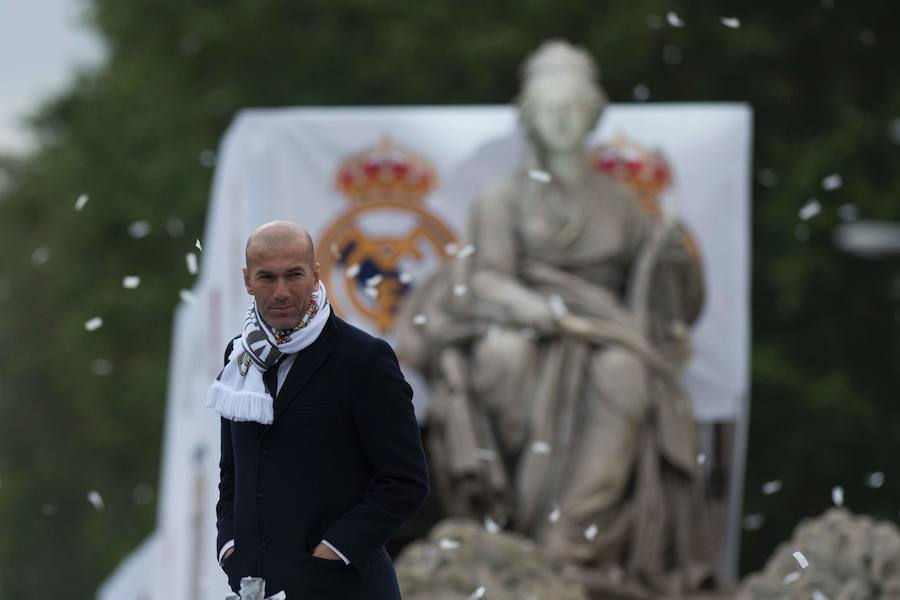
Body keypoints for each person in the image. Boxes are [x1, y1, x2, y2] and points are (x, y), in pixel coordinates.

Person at [394, 40, 713, 596]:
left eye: (572, 108)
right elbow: (484, 277)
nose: (562, 120)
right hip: (527, 324)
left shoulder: (620, 203)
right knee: (502, 355)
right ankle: (510, 516)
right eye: (549, 109)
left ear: (592, 113)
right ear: (530, 118)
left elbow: (666, 299)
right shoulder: (501, 198)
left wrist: (671, 256)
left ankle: (572, 538)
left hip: (604, 333)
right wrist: (538, 310)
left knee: (626, 374)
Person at [207, 220, 429, 599]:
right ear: (247, 281)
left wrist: (332, 553)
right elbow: (234, 473)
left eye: (294, 275)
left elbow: (406, 481)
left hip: (346, 589)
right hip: (257, 588)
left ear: (315, 274)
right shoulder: (238, 357)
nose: (281, 292)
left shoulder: (364, 358)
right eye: (267, 278)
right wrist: (230, 546)